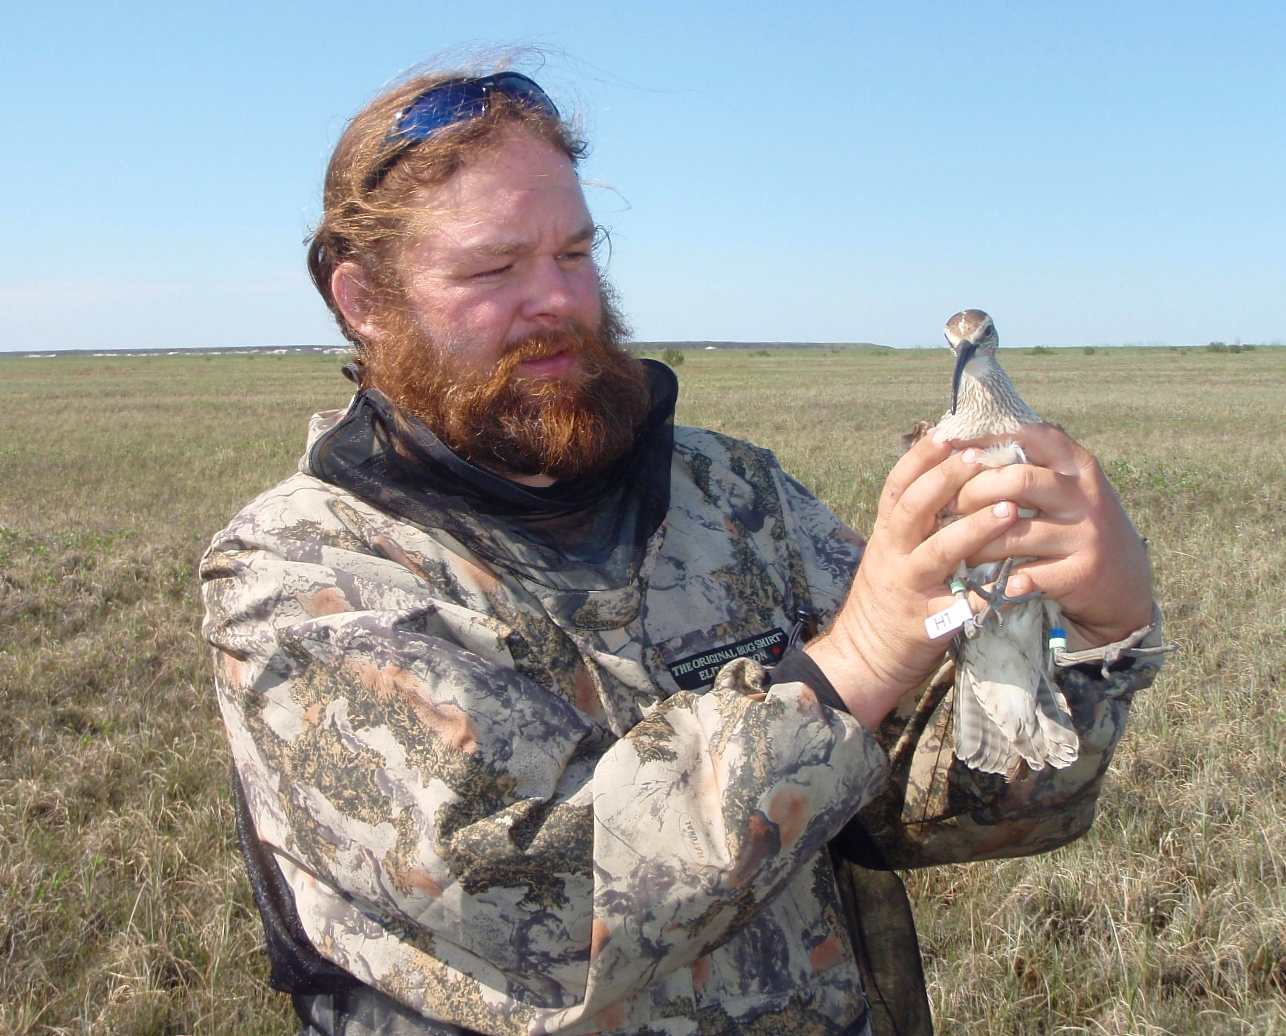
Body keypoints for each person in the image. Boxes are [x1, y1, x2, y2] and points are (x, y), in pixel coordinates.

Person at [200, 65, 1165, 1036]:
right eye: (493, 269)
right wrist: (850, 666)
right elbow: (541, 911)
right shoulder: (298, 573)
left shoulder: (729, 495)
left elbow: (930, 803)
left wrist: (1094, 636)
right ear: (363, 300)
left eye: (574, 253)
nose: (556, 300)